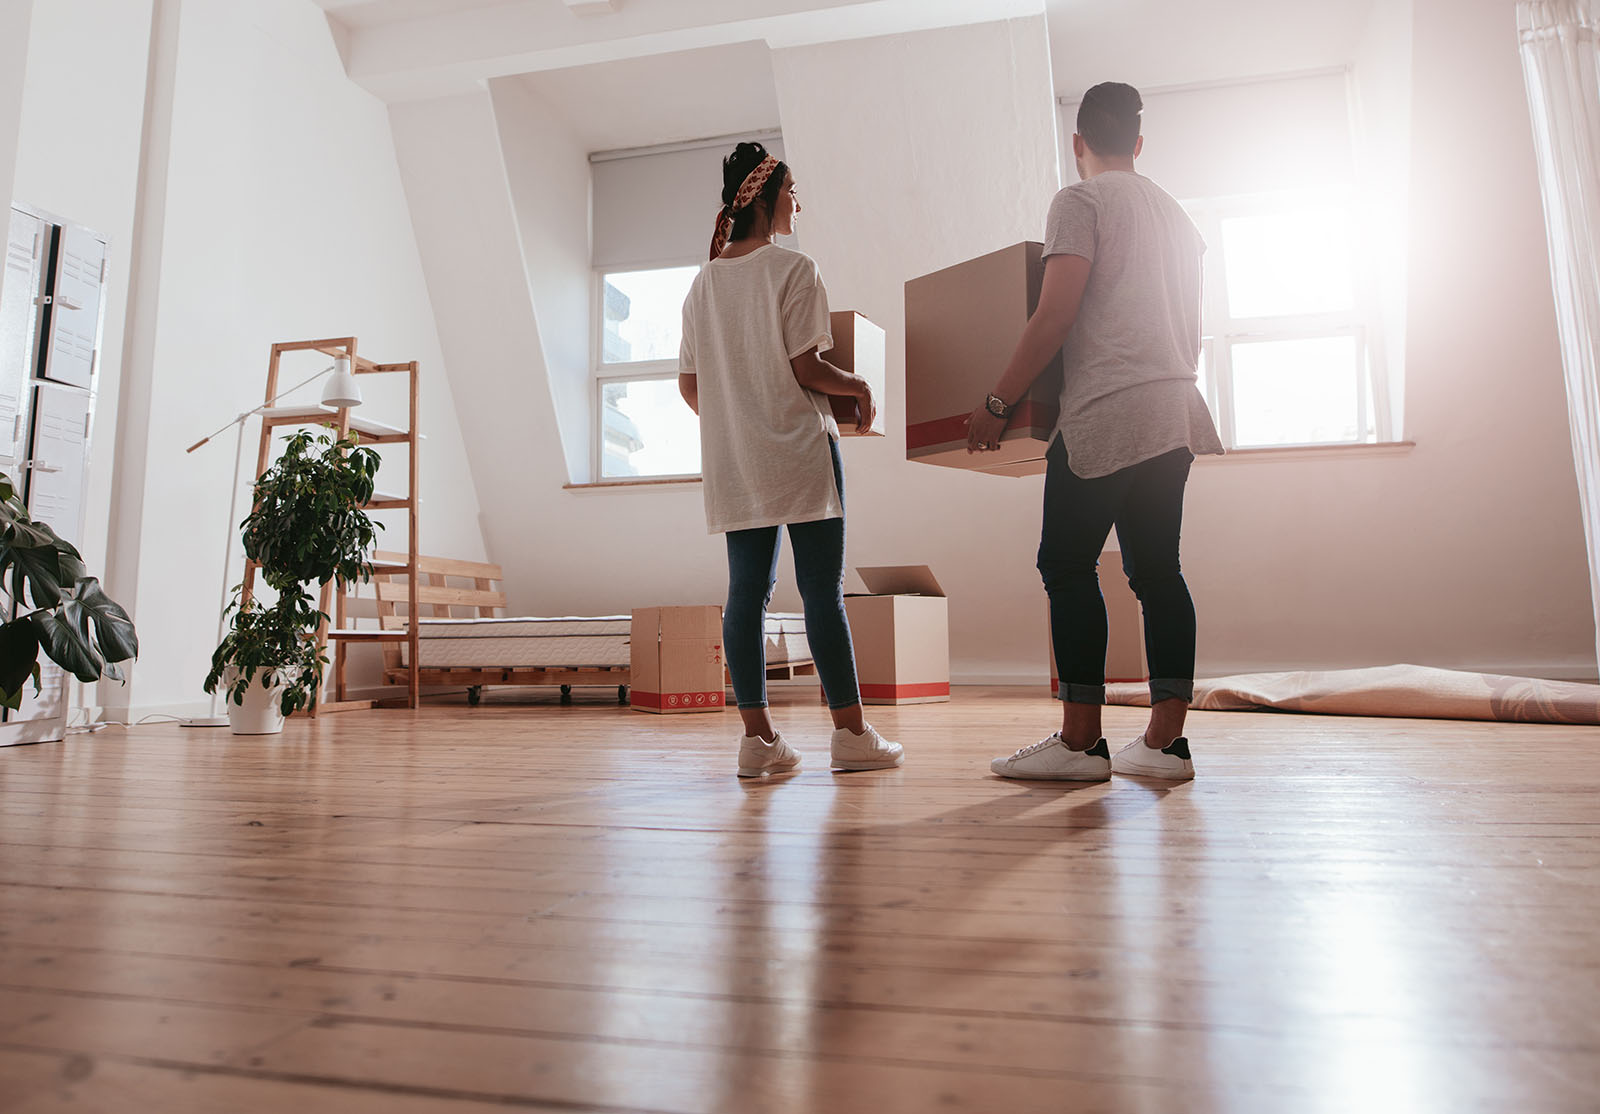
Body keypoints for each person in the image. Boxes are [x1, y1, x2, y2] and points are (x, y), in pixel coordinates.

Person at [967, 82, 1223, 782]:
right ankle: (1165, 745)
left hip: (1107, 409)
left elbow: (1054, 315)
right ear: (1138, 145)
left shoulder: (1079, 201)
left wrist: (997, 402)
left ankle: (1080, 744)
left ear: (1077, 144)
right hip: (1174, 408)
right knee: (1158, 573)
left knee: (1067, 565)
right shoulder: (1178, 218)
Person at [679, 141, 904, 778]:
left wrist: (740, 422)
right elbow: (806, 366)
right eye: (792, 189)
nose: (797, 201)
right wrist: (858, 386)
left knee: (745, 596)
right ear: (767, 195)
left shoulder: (702, 285)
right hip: (802, 454)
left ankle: (758, 742)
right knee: (821, 595)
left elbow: (691, 387)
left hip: (737, 464)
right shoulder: (792, 269)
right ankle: (852, 735)